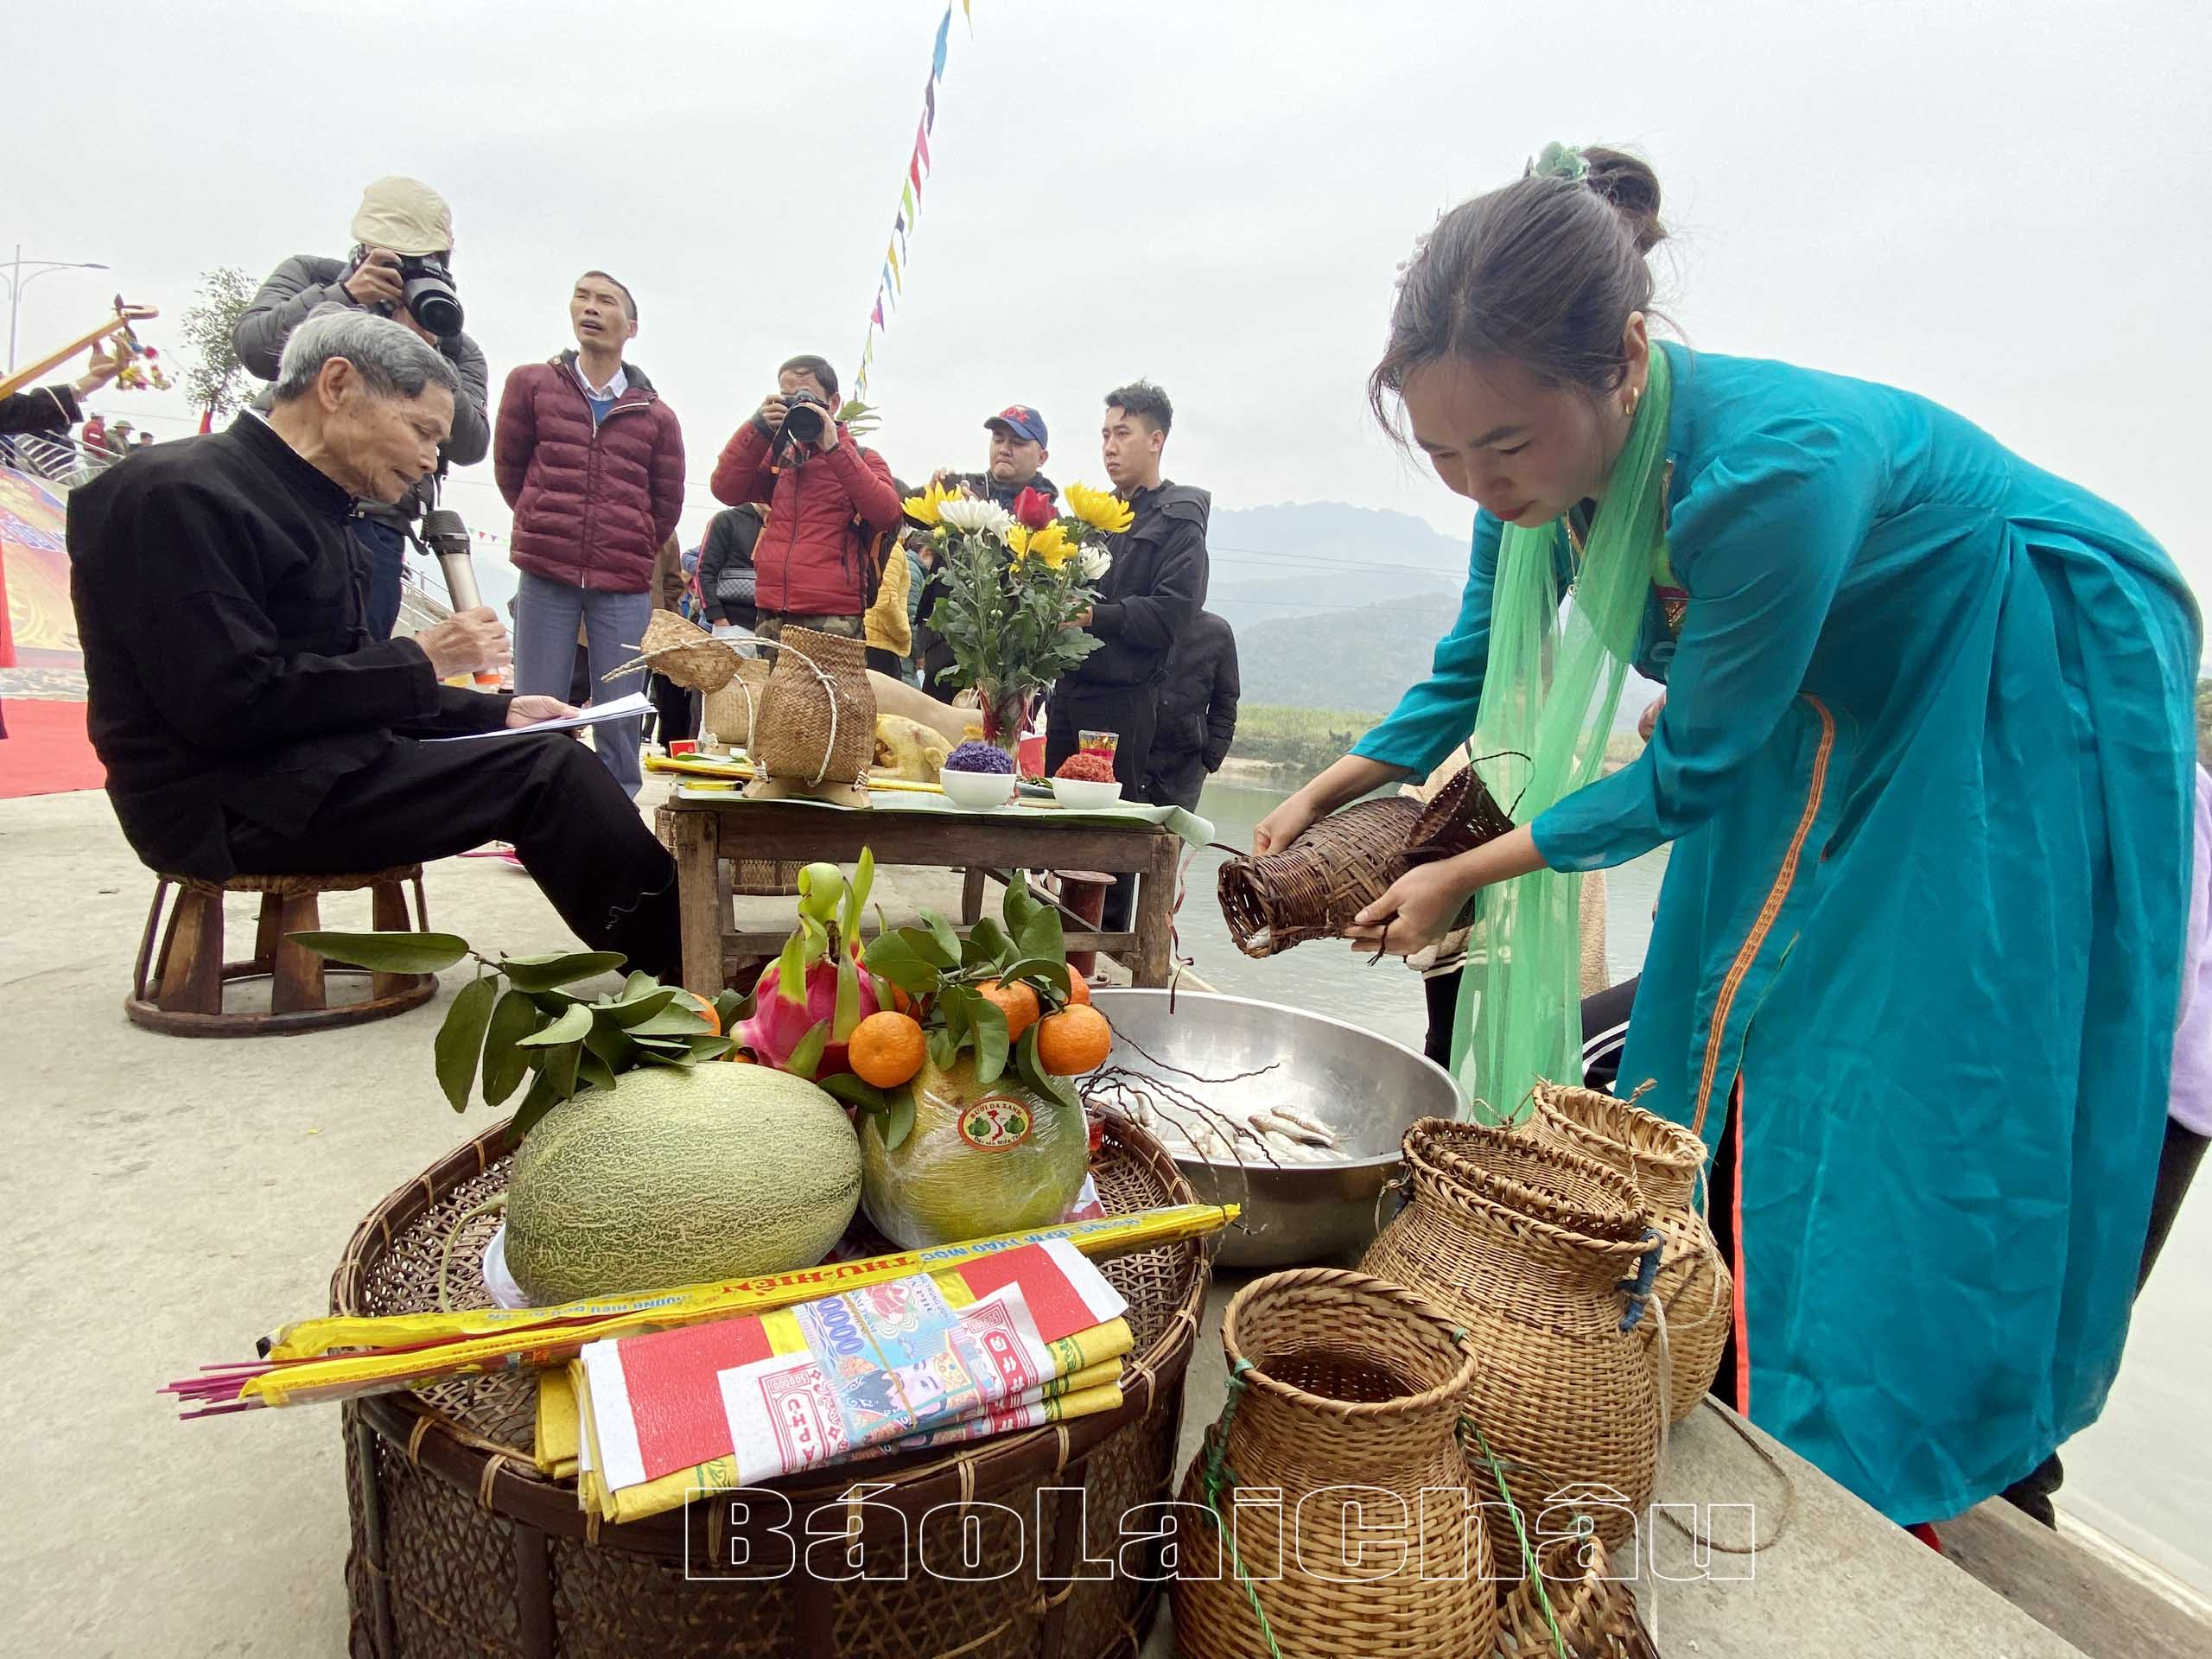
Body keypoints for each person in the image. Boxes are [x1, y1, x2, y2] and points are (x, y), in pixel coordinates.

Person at [1255, 144, 2199, 1531]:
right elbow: (1466, 663)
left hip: (2016, 653)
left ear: (1625, 361)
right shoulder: (1524, 489)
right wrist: (1330, 789)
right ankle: (1726, 1341)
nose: (1478, 481)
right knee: (1708, 1005)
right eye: (1444, 451)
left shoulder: (1764, 479)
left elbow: (1690, 770)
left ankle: (1912, 1436)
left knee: (1915, 1051)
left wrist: (1457, 867)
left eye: (1505, 446)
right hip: (1834, 687)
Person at [65, 311, 679, 976]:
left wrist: (496, 712)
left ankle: (689, 948)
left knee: (541, 746)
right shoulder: (177, 495)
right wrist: (426, 657)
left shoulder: (318, 509)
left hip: (299, 769)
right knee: (545, 776)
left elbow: (340, 683)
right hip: (225, 801)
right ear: (337, 386)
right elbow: (229, 704)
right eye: (421, 431)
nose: (430, 460)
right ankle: (688, 968)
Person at [233, 177, 492, 642]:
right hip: (278, 497)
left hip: (377, 522)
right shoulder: (313, 279)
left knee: (357, 662)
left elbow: (471, 443)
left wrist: (422, 352)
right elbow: (256, 351)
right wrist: (345, 299)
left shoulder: (449, 335)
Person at [494, 271, 684, 798]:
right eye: (582, 296)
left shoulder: (657, 416)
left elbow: (665, 504)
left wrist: (631, 542)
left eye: (606, 301)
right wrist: (544, 523)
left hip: (624, 581)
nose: (591, 308)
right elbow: (511, 471)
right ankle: (531, 809)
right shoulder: (531, 384)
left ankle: (618, 807)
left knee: (621, 706)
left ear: (632, 326)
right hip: (545, 571)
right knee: (536, 702)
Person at [1046, 381, 1209, 928]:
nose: (1110, 447)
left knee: (1107, 849)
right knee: (1057, 833)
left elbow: (1173, 613)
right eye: (1105, 435)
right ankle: (1051, 957)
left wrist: (1097, 616)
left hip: (1120, 704)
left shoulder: (1179, 519)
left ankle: (1100, 973)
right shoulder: (1099, 518)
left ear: (1157, 439)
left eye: (1124, 433)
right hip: (1067, 693)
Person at [708, 354, 902, 641]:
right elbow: (726, 489)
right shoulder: (780, 458)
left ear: (834, 404)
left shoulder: (863, 459)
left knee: (832, 689)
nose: (797, 406)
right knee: (773, 688)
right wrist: (757, 429)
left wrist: (834, 448)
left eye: (806, 398)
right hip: (772, 611)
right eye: (788, 398)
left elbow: (887, 513)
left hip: (833, 615)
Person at [1141, 608, 1238, 811]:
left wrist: (1210, 760)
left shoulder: (1217, 632)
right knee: (1122, 838)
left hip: (1184, 768)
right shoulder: (1139, 621)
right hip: (1130, 758)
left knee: (1172, 841)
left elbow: (1226, 702)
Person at [932, 404, 1058, 511]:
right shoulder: (961, 488)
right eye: (998, 439)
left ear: (1041, 458)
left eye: (1018, 442)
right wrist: (932, 496)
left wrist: (977, 521)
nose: (1004, 450)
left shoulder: (1051, 523)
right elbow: (913, 515)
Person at [645, 533, 700, 753]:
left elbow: (671, 584)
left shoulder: (666, 533)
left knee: (666, 695)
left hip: (661, 627)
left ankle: (674, 746)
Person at [861, 477, 916, 680]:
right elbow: (885, 599)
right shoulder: (891, 546)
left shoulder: (867, 539)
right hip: (881, 647)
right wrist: (904, 634)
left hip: (862, 638)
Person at [696, 503, 766, 635]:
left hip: (775, 630)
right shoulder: (726, 520)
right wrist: (718, 618)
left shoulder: (786, 527)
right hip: (732, 625)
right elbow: (705, 571)